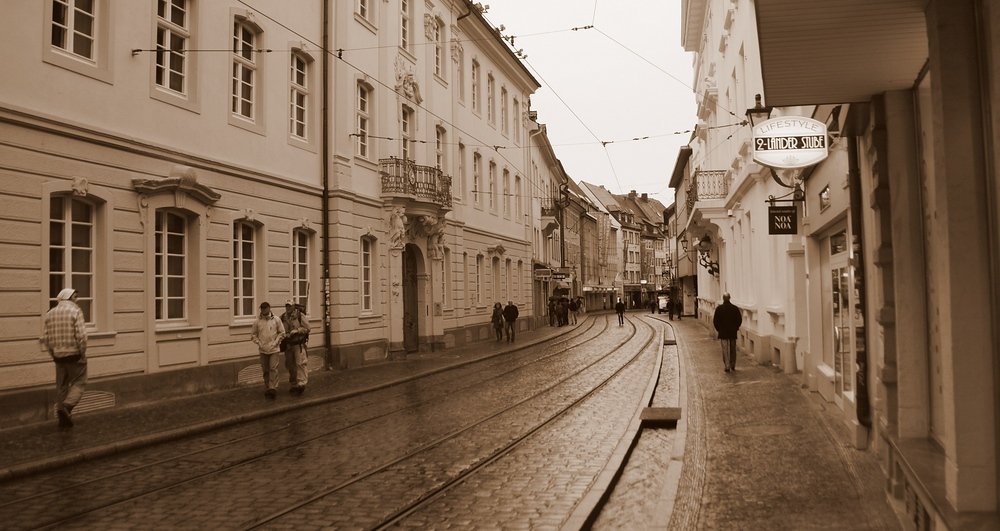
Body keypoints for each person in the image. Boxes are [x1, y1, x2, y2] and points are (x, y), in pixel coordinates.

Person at [40, 288, 88, 429]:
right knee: (80, 382)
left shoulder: (50, 313)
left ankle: (62, 419)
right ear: (67, 298)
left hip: (58, 356)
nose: (76, 300)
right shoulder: (75, 311)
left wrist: (52, 354)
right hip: (75, 355)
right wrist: (82, 352)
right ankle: (67, 407)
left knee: (61, 386)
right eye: (75, 297)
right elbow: (82, 336)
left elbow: (46, 339)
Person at [251, 302, 285, 399]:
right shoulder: (257, 321)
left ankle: (272, 388)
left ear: (269, 308)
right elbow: (253, 335)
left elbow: (282, 332)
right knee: (265, 370)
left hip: (274, 349)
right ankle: (267, 387)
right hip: (263, 350)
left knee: (273, 368)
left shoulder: (276, 320)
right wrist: (259, 343)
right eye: (262, 309)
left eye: (265, 308)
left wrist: (276, 342)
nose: (263, 310)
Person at [280, 301, 310, 395]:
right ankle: (293, 384)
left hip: (298, 344)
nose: (288, 308)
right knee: (290, 365)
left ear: (293, 306)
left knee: (300, 363)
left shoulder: (300, 316)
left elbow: (307, 328)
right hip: (288, 345)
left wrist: (297, 331)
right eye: (286, 306)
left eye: (290, 306)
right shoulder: (283, 317)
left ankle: (301, 384)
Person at [713, 293, 743, 372]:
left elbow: (715, 321)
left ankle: (727, 366)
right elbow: (739, 320)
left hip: (723, 333)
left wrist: (719, 329)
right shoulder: (735, 308)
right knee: (733, 349)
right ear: (729, 298)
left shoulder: (719, 309)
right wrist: (736, 327)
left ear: (723, 298)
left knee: (725, 349)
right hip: (732, 332)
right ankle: (733, 364)